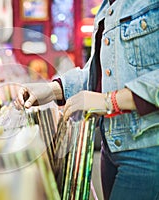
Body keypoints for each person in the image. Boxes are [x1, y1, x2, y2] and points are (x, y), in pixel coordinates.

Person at [14, 0, 159, 199]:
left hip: (147, 149)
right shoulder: (106, 8)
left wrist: (109, 101)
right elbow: (98, 73)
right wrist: (51, 90)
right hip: (111, 148)